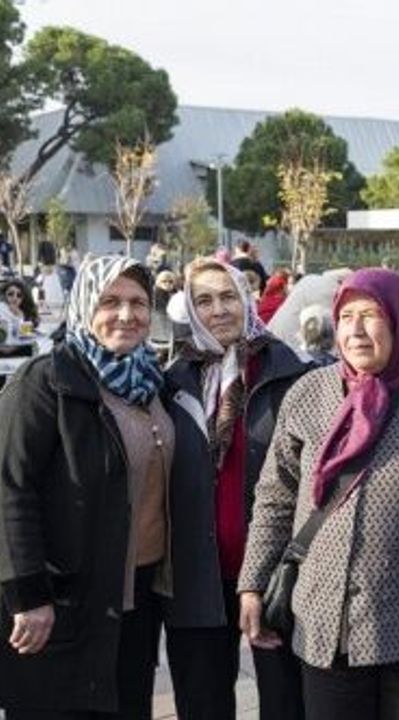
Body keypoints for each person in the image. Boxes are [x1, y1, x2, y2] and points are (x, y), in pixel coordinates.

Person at [238, 268, 399, 719]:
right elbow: (276, 496)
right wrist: (252, 584)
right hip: (324, 619)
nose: (355, 330)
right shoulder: (309, 393)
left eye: (371, 315)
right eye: (346, 316)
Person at [0, 256, 172, 718]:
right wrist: (28, 595)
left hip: (135, 596)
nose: (126, 314)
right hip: (63, 599)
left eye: (138, 302)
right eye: (110, 301)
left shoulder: (152, 382)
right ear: (83, 305)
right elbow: (10, 489)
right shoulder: (45, 381)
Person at [163, 258, 313, 720]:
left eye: (228, 296)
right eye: (204, 300)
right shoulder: (171, 381)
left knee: (284, 702)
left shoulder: (291, 375)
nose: (219, 310)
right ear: (189, 309)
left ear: (247, 299)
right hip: (196, 576)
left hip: (273, 574)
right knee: (202, 703)